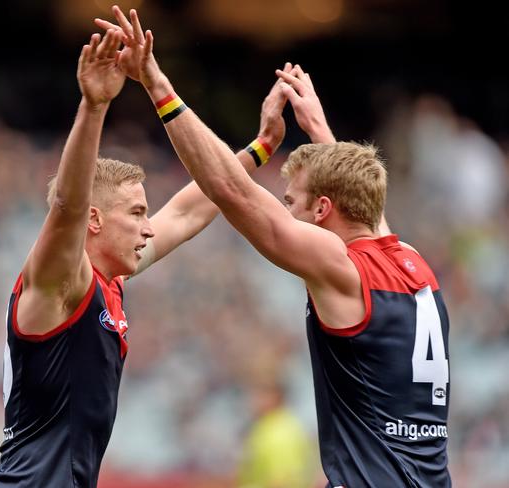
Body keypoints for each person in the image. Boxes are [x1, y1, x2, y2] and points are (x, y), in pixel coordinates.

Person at [112, 7, 452, 487]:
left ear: (323, 210)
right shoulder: (414, 263)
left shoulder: (341, 268)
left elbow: (229, 190)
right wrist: (319, 131)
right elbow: (365, 213)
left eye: (290, 201)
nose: (284, 209)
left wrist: (156, 84)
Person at [0, 21, 317, 486]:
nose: (147, 226)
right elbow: (67, 206)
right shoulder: (60, 283)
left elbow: (187, 211)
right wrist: (94, 107)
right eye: (136, 213)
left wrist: (260, 149)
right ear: (94, 221)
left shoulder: (108, 281)